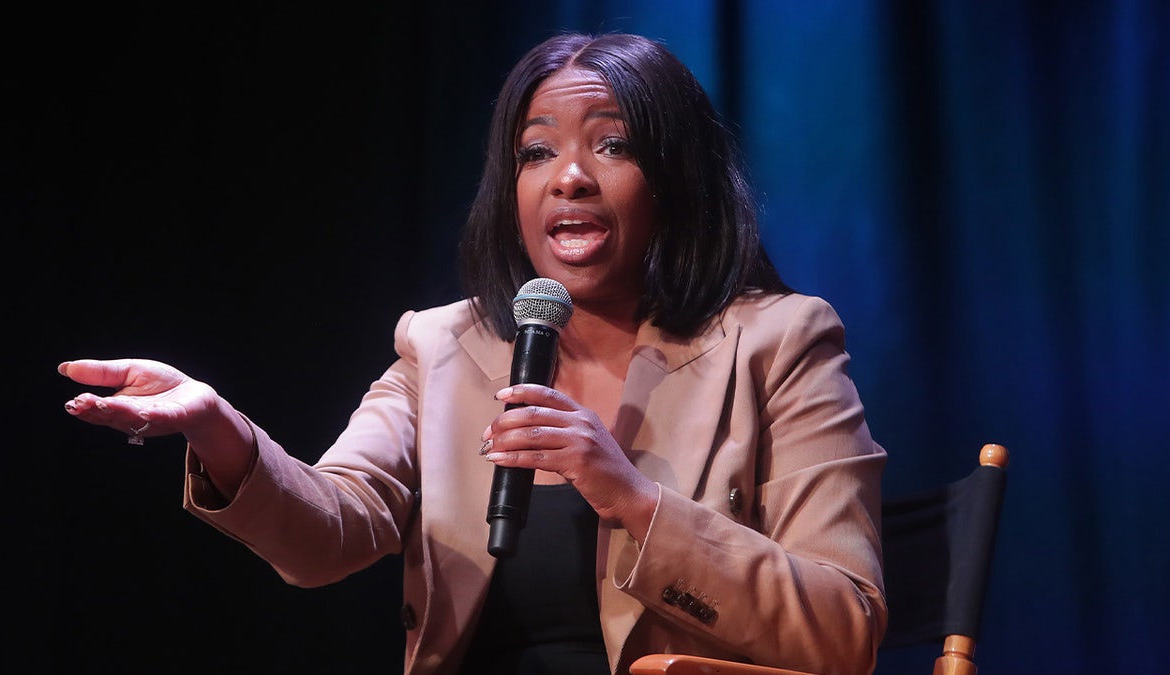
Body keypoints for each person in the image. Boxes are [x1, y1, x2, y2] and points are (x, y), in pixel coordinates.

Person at [59, 32, 887, 675]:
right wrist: (217, 426)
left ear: (674, 178)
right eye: (537, 152)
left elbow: (845, 629)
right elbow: (328, 532)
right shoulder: (443, 346)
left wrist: (633, 499)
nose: (568, 177)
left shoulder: (779, 341)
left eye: (612, 145)